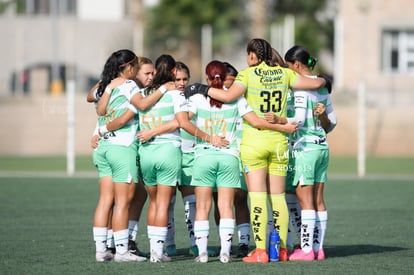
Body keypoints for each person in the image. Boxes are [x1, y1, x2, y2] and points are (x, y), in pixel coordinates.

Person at [185, 38, 326, 263]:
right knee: (278, 198)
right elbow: (316, 83)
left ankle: (261, 251)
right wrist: (323, 79)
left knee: (258, 197)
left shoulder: (247, 75)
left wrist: (202, 88)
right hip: (279, 140)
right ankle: (280, 249)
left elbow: (228, 96)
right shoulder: (284, 73)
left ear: (252, 55)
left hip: (254, 142)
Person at [188, 60, 298, 264]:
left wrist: (205, 137)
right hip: (229, 157)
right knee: (227, 205)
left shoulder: (196, 98)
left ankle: (202, 253)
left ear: (206, 78)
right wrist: (284, 128)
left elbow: (182, 120)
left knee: (203, 206)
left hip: (203, 157)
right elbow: (257, 122)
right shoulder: (237, 100)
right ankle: (226, 253)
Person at [137, 54, 228, 263]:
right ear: (170, 74)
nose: (181, 83)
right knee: (163, 204)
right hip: (169, 151)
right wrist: (209, 138)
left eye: (184, 79)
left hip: (150, 152)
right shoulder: (176, 96)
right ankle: (162, 250)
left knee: (165, 203)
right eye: (177, 78)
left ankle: (164, 249)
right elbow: (182, 123)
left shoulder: (143, 94)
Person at [280, 45, 336, 261]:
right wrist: (320, 117)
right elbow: (331, 123)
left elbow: (299, 120)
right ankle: (318, 249)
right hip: (322, 147)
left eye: (288, 67)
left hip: (305, 149)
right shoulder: (321, 87)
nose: (288, 71)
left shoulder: (301, 88)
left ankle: (305, 250)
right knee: (319, 200)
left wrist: (279, 121)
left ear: (296, 65)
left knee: (306, 202)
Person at [92, 49, 147, 262]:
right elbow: (141, 105)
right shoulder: (129, 84)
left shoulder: (107, 84)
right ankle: (122, 251)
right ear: (129, 67)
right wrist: (161, 91)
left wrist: (107, 87)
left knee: (106, 200)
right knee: (123, 202)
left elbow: (98, 109)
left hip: (104, 147)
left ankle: (101, 250)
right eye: (135, 67)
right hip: (122, 147)